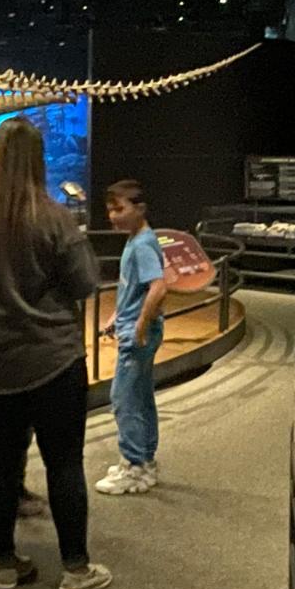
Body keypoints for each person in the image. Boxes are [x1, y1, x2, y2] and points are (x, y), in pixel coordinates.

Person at [0, 116, 112, 589]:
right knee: (64, 464)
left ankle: (4, 564)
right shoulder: (54, 218)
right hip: (52, 361)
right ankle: (76, 570)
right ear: (39, 159)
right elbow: (85, 283)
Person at [95, 179, 167, 496]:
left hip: (137, 335)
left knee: (123, 398)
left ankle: (133, 466)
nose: (113, 216)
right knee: (140, 396)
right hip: (132, 328)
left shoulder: (142, 244)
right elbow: (134, 290)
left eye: (119, 209)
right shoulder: (137, 240)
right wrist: (116, 318)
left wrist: (140, 324)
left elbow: (158, 286)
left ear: (139, 209)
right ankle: (145, 461)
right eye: (110, 209)